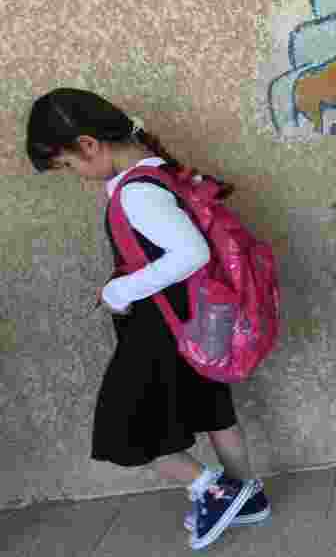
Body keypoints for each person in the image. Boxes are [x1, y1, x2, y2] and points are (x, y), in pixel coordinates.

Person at [25, 88, 269, 551]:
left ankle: (213, 492)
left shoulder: (137, 191)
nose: (73, 176)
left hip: (162, 329)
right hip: (194, 321)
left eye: (67, 165)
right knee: (213, 410)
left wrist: (119, 290)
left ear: (89, 144)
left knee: (121, 429)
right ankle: (248, 497)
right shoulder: (157, 173)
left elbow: (191, 254)